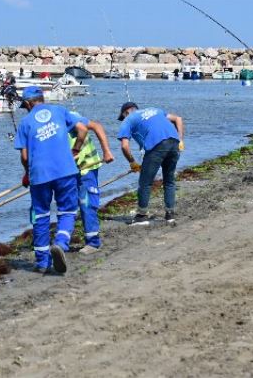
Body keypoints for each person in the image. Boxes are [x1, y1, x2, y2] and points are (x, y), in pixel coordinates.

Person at [14, 86, 88, 273]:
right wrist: (76, 150)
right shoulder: (60, 110)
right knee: (67, 211)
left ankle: (42, 262)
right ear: (42, 99)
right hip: (65, 170)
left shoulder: (25, 122)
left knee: (40, 215)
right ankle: (61, 243)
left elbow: (24, 156)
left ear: (29, 103)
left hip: (39, 175)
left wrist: (27, 173)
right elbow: (82, 129)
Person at [117, 102, 184, 226]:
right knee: (169, 180)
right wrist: (180, 139)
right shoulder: (155, 110)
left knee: (145, 182)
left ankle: (142, 216)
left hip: (157, 145)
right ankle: (170, 215)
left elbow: (125, 146)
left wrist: (132, 162)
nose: (123, 120)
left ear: (126, 113)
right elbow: (178, 119)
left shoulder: (128, 120)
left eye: (123, 117)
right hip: (174, 143)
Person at [67, 111, 115, 254]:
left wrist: (106, 151)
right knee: (68, 204)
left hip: (86, 166)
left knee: (86, 202)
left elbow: (96, 126)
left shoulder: (68, 117)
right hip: (68, 170)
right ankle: (64, 239)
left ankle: (93, 243)